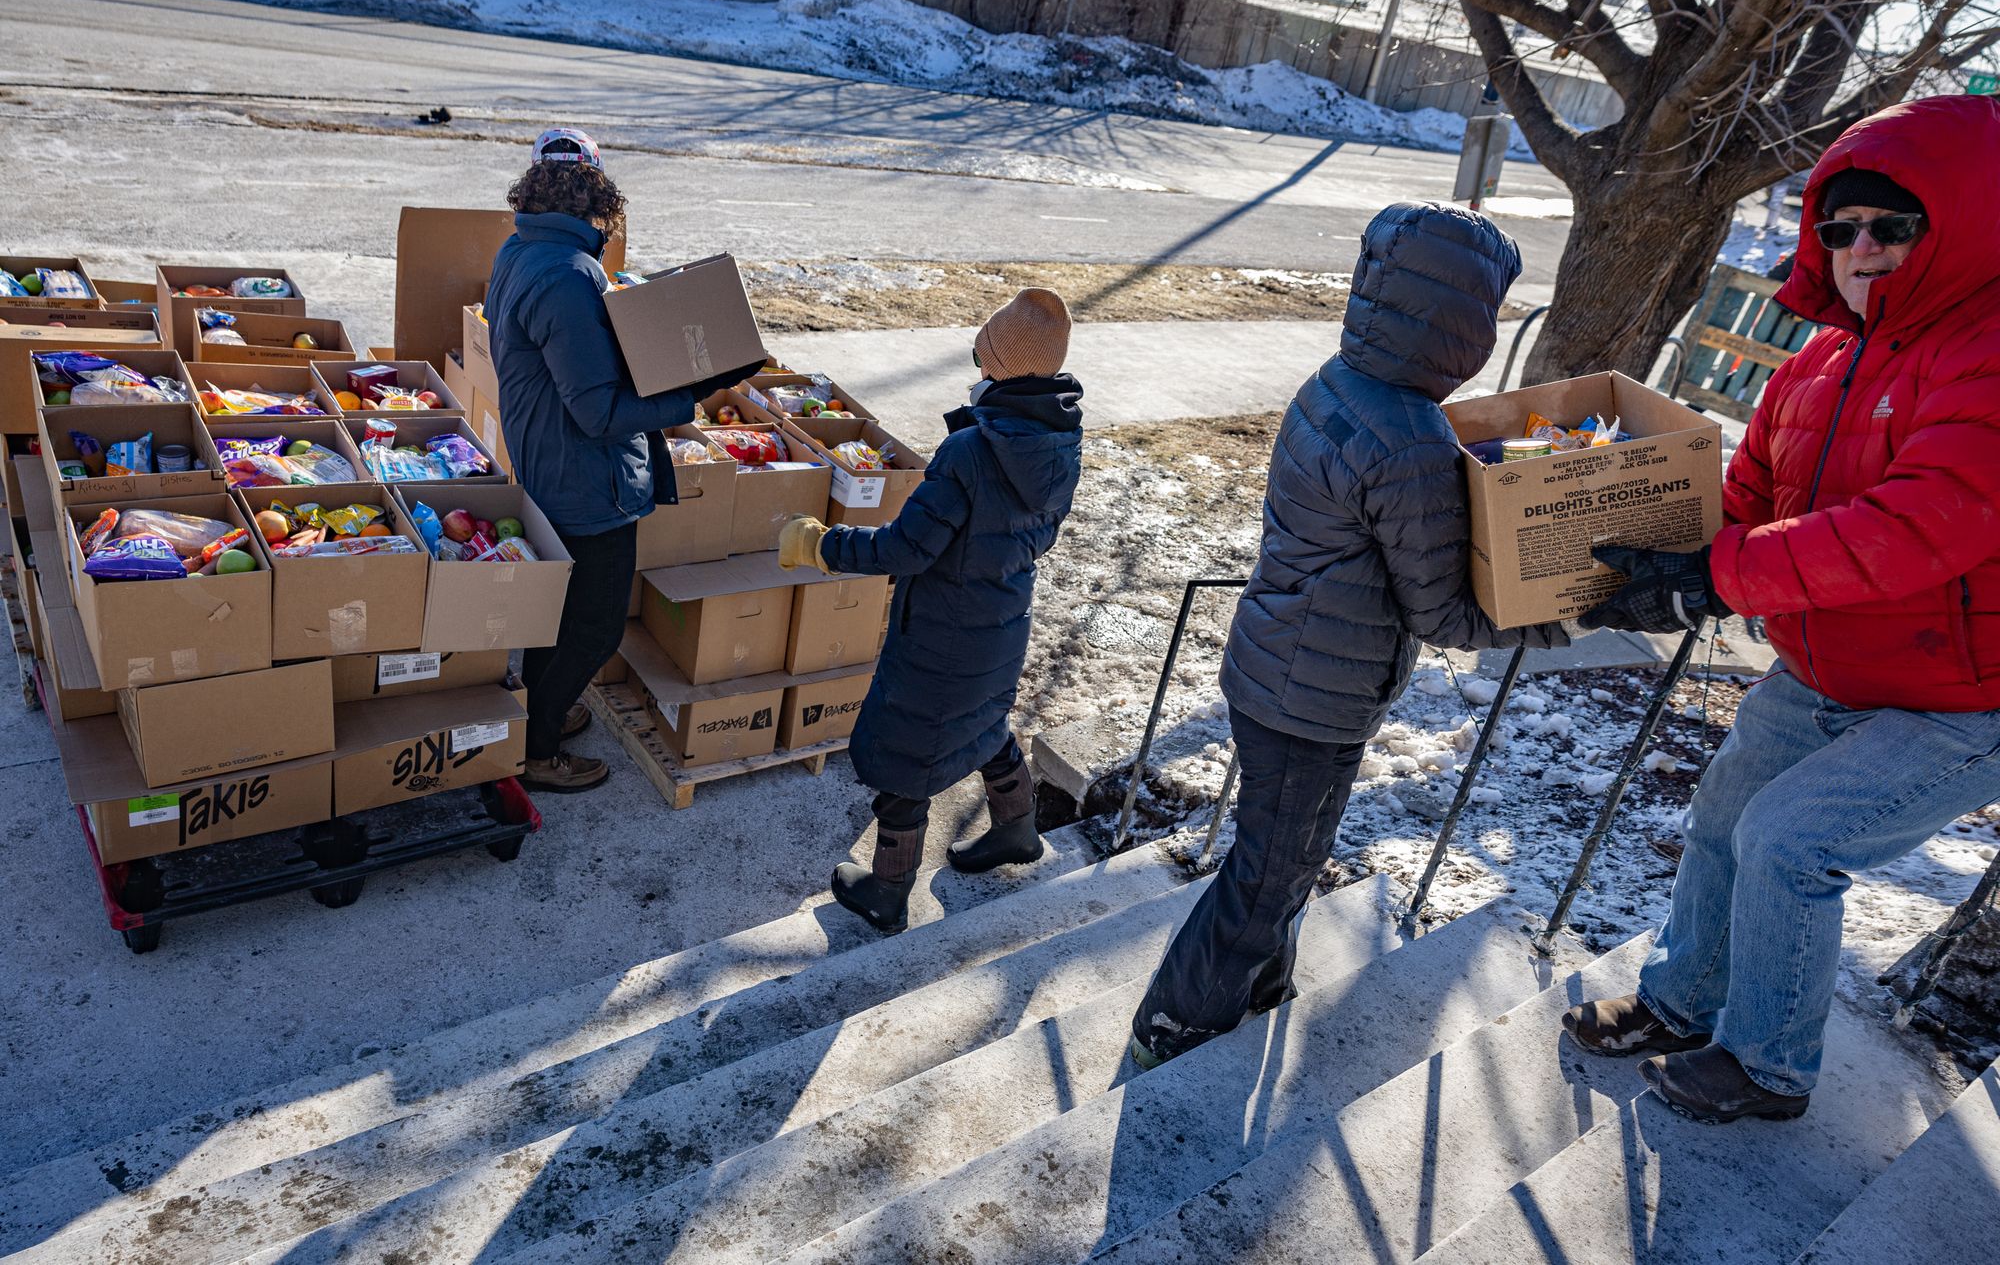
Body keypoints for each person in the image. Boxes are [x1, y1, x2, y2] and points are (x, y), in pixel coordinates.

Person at [1563, 95, 2000, 1123]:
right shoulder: (1817, 358)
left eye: (1892, 224)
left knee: (1789, 839)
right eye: (1838, 226)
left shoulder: (1986, 352)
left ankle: (1765, 1065)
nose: (1861, 247)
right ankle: (1681, 1002)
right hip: (1819, 667)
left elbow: (1920, 524)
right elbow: (1752, 494)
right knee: (1720, 817)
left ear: (1967, 222)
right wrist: (1661, 551)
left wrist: (1723, 573)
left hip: (1955, 698)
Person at [1128, 201, 1569, 1069]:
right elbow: (1443, 613)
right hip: (1315, 698)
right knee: (1271, 871)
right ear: (1459, 323)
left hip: (1276, 659)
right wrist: (1563, 606)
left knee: (1286, 852)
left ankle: (1256, 986)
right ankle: (1175, 1021)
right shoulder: (1410, 437)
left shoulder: (1338, 381)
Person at [778, 288, 1083, 934]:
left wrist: (821, 544)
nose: (977, 367)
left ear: (1001, 366)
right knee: (984, 720)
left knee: (906, 746)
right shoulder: (1056, 444)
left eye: (985, 355)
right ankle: (1018, 827)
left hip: (944, 631)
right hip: (1003, 620)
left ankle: (889, 888)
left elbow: (907, 547)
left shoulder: (972, 453)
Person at [485, 128, 737, 792]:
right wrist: (688, 392)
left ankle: (543, 710)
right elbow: (596, 412)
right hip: (584, 482)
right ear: (597, 194)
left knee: (560, 616)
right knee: (593, 626)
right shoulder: (568, 277)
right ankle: (537, 749)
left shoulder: (520, 250)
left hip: (548, 463)